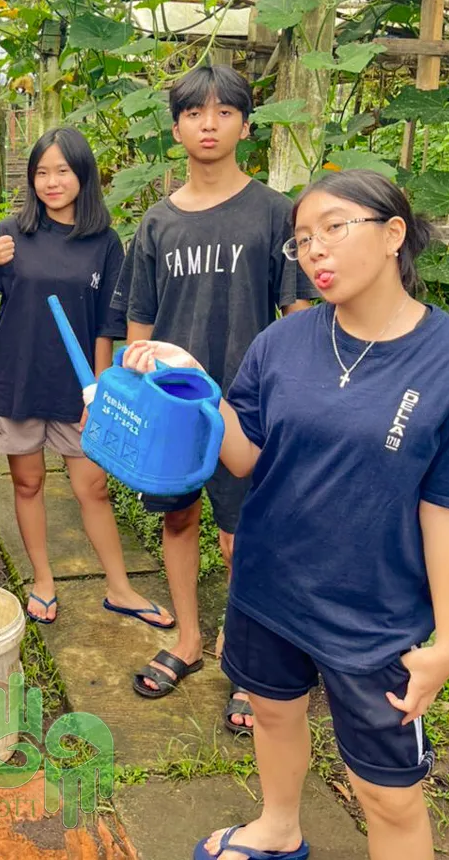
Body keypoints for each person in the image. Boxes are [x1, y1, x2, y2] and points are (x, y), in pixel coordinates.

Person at [123, 169, 449, 860]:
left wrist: (448, 640)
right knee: (273, 714)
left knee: (387, 795)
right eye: (302, 239)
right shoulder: (282, 342)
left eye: (333, 228)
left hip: (372, 617)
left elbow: (443, 509)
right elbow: (245, 456)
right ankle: (278, 828)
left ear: (392, 234)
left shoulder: (444, 358)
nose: (314, 251)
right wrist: (194, 382)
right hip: (267, 588)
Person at [112, 64, 313, 731]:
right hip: (173, 408)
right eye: (194, 113)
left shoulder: (274, 213)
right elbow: (140, 323)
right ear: (175, 128)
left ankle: (244, 655)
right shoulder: (157, 222)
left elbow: (296, 317)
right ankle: (189, 638)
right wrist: (136, 397)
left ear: (245, 126)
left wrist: (290, 404)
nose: (208, 125)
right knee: (177, 520)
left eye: (224, 112)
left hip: (245, 409)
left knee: (239, 540)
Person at [0, 126, 173, 629]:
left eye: (62, 171)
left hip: (78, 388)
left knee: (93, 487)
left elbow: (108, 327)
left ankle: (120, 588)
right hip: (19, 380)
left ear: (83, 175)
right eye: (42, 172)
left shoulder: (104, 243)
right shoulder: (10, 233)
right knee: (28, 484)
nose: (51, 182)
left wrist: (99, 393)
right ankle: (43, 580)